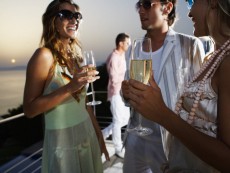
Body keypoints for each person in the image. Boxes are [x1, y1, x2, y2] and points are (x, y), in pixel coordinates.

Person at [123, 0, 230, 172]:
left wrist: (163, 114)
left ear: (167, 7)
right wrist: (126, 93)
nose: (141, 10)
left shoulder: (191, 45)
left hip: (168, 141)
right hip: (140, 138)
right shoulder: (214, 56)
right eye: (139, 6)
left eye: (147, 4)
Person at [23, 0, 109, 172]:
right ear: (52, 21)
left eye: (77, 16)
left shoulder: (76, 58)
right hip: (63, 143)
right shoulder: (43, 56)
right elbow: (30, 109)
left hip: (86, 135)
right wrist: (70, 87)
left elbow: (84, 104)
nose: (74, 20)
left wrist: (99, 135)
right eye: (67, 15)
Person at [102, 33, 131, 158]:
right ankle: (118, 148)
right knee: (118, 121)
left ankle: (102, 134)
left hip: (123, 92)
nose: (129, 45)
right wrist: (127, 81)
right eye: (127, 43)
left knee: (125, 119)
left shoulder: (123, 56)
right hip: (116, 93)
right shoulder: (114, 57)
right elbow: (114, 79)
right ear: (121, 43)